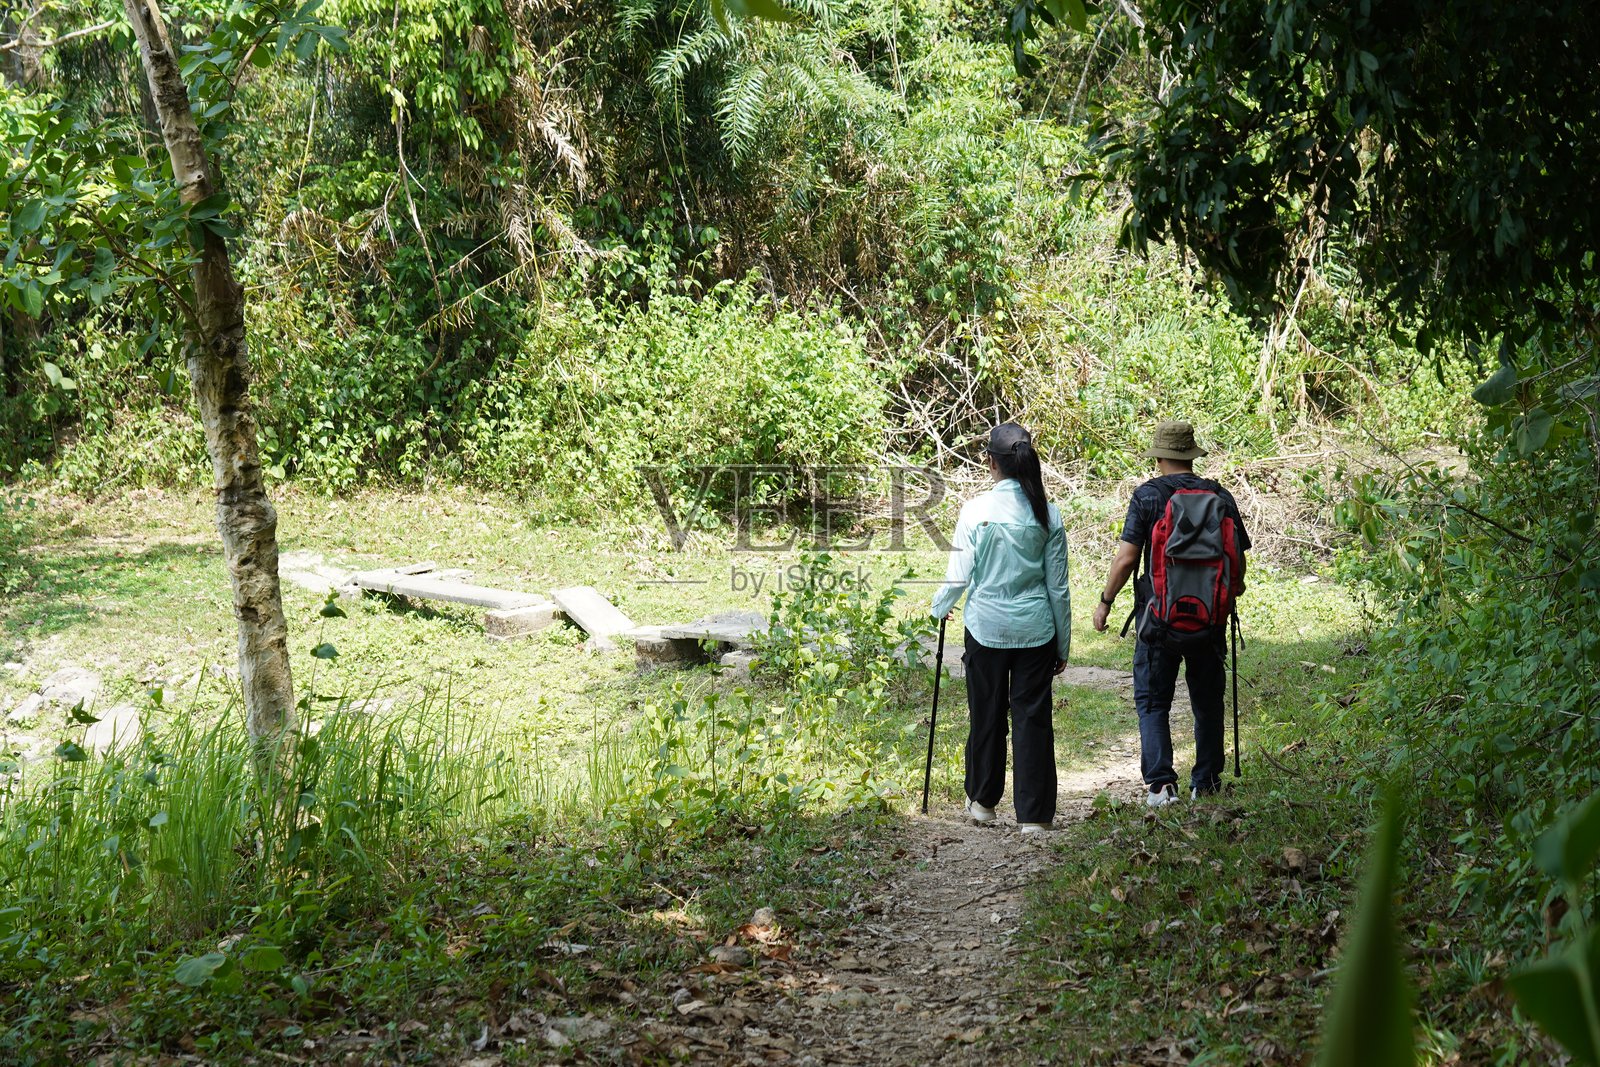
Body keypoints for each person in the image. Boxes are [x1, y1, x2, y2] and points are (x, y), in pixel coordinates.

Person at [1091, 420, 1250, 807]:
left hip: (1159, 617)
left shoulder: (1147, 496)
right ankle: (1207, 781)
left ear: (1160, 457)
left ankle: (1162, 785)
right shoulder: (1220, 496)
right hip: (1209, 618)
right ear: (1191, 456)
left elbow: (1128, 557)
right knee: (1208, 701)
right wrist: (1227, 598)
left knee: (1152, 699)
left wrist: (1105, 600)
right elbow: (1238, 562)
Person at [931, 422, 1071, 835]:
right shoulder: (1048, 513)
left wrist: (940, 609)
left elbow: (958, 577)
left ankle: (982, 801)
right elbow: (1057, 588)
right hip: (1036, 631)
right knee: (1033, 719)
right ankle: (1035, 815)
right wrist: (1062, 643)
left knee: (986, 713)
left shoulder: (975, 511)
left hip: (985, 627)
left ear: (990, 461)